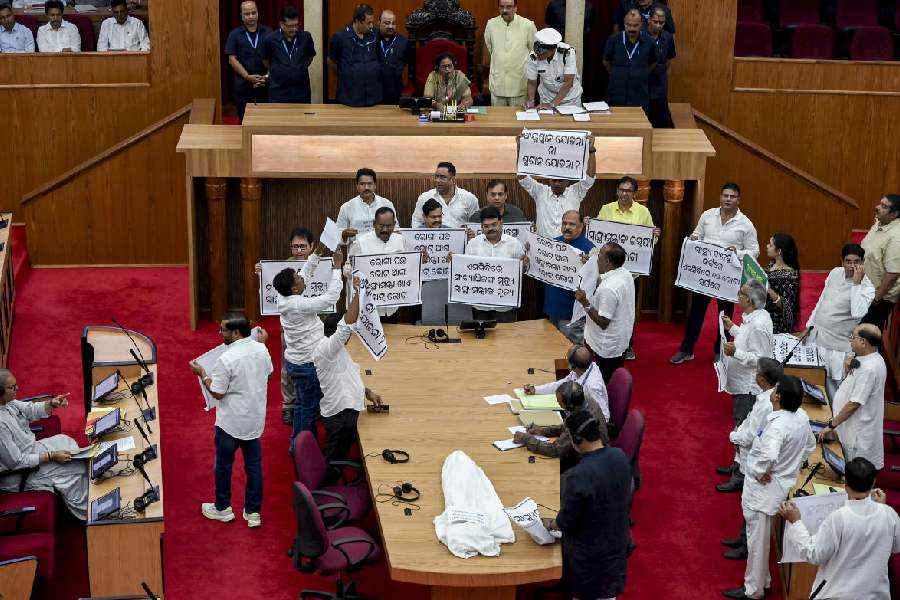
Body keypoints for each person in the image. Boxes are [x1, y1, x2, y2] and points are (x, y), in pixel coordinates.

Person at [724, 375, 815, 599]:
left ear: (779, 396)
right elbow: (809, 445)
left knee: (757, 543)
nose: (772, 392)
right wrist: (790, 466)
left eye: (776, 390)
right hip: (779, 484)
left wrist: (760, 471)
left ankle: (753, 590)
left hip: (763, 490)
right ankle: (763, 581)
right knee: (760, 540)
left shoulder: (777, 427)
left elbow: (769, 454)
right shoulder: (801, 417)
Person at [779, 457, 900, 600]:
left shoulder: (838, 518)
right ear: (873, 482)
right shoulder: (889, 513)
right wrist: (883, 507)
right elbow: (895, 547)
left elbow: (813, 554)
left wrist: (795, 522)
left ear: (846, 484)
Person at [191, 315, 272, 527]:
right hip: (254, 420)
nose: (220, 333)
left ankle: (223, 508)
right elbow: (268, 374)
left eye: (223, 330)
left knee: (224, 466)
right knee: (254, 467)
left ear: (236, 333)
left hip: (231, 423)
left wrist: (202, 374)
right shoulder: (261, 349)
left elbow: (217, 392)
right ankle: (254, 513)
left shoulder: (226, 359)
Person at [543, 410, 632, 600]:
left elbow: (566, 523)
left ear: (576, 440)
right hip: (616, 552)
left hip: (589, 562)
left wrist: (551, 523)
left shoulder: (578, 476)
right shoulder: (620, 456)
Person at [670, 183, 760, 364]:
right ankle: (686, 350)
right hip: (704, 277)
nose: (728, 199)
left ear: (738, 200)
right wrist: (694, 239)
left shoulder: (746, 224)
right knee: (695, 312)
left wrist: (738, 253)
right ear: (720, 197)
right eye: (725, 195)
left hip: (727, 280)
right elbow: (697, 234)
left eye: (732, 197)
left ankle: (720, 351)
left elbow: (755, 251)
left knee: (724, 315)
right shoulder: (707, 215)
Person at [273, 246, 344, 448]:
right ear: (295, 289)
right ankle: (304, 447)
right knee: (309, 408)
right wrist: (337, 268)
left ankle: (296, 441)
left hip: (296, 362)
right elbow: (331, 298)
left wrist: (315, 256)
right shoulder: (299, 305)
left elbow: (303, 273)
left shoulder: (284, 295)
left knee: (301, 404)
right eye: (298, 280)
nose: (302, 278)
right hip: (307, 366)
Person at [313, 276, 383, 478]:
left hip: (347, 411)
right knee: (332, 462)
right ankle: (322, 493)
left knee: (341, 454)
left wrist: (368, 393)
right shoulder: (327, 349)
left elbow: (348, 374)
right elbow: (347, 324)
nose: (350, 336)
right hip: (339, 417)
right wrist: (359, 292)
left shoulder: (337, 350)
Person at [0, 369, 86, 521]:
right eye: (11, 387)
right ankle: (86, 511)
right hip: (21, 473)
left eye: (16, 385)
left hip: (31, 451)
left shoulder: (8, 403)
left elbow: (29, 410)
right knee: (74, 465)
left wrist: (51, 404)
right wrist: (51, 456)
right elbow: (16, 462)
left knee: (66, 442)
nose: (17, 389)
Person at [254, 227, 314, 426]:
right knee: (288, 366)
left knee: (317, 365)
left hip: (315, 327)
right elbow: (269, 292)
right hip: (289, 328)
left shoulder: (322, 265)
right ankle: (289, 405)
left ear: (311, 247)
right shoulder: (282, 268)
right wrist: (261, 275)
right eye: (294, 246)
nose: (298, 250)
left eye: (302, 246)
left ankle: (315, 403)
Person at [597, 175, 660, 360]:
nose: (624, 194)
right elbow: (598, 235)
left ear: (635, 193)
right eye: (621, 190)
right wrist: (590, 225)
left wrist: (655, 235)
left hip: (630, 274)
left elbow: (650, 241)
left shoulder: (643, 212)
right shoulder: (606, 209)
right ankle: (603, 341)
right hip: (607, 272)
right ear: (617, 191)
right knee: (604, 307)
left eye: (628, 191)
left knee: (627, 310)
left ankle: (628, 345)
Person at [802, 243, 875, 396]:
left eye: (857, 262)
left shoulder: (867, 288)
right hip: (817, 337)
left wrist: (856, 284)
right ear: (842, 262)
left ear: (862, 263)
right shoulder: (835, 273)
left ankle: (834, 420)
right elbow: (822, 301)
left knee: (834, 391)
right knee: (812, 384)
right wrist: (809, 325)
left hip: (838, 347)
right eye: (848, 261)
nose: (852, 266)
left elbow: (857, 312)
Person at [817, 324, 886, 470]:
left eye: (853, 337)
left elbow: (854, 403)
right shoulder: (866, 359)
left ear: (863, 342)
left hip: (858, 434)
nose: (850, 340)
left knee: (853, 475)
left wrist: (832, 425)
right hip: (849, 427)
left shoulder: (870, 368)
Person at [717, 358, 782, 497]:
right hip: (745, 439)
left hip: (750, 449)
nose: (755, 374)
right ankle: (736, 469)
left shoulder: (766, 404)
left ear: (762, 379)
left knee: (745, 462)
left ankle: (738, 479)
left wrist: (734, 436)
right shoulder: (766, 396)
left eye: (757, 372)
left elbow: (751, 435)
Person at [576, 242, 636, 383]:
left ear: (607, 261)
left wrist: (585, 302)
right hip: (619, 341)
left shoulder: (609, 289)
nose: (597, 256)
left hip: (606, 347)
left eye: (600, 253)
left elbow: (603, 322)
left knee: (602, 385)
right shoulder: (625, 273)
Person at [517, 134, 596, 239]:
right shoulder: (540, 191)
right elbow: (522, 177)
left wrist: (591, 151)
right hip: (544, 247)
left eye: (560, 180)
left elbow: (589, 177)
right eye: (554, 180)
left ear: (568, 181)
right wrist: (520, 149)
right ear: (549, 180)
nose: (557, 183)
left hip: (569, 247)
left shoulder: (575, 192)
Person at [514, 380, 607, 470]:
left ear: (569, 406)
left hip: (588, 459)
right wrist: (543, 431)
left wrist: (526, 439)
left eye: (560, 403)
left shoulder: (580, 420)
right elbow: (566, 426)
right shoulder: (583, 401)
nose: (559, 405)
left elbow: (556, 449)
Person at [347, 207, 419, 321]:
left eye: (389, 226)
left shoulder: (401, 241)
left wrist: (420, 260)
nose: (385, 229)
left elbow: (410, 266)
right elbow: (346, 271)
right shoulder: (360, 243)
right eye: (381, 225)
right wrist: (352, 267)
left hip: (392, 307)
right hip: (367, 307)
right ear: (374, 224)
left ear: (394, 224)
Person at [721, 281, 774, 432]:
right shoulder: (755, 316)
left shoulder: (758, 324)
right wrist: (732, 328)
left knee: (743, 427)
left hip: (747, 388)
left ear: (749, 300)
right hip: (742, 384)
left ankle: (740, 454)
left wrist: (734, 353)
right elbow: (747, 339)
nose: (738, 295)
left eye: (741, 293)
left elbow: (760, 359)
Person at [461, 206, 527, 322]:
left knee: (506, 339)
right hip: (480, 306)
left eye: (494, 224)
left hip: (505, 306)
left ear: (501, 223)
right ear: (481, 227)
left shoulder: (514, 243)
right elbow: (467, 272)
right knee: (481, 339)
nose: (490, 228)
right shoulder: (473, 244)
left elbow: (521, 271)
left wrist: (525, 265)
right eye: (486, 226)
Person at [543, 210, 594, 343]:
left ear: (580, 227)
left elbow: (597, 280)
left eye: (572, 224)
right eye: (564, 223)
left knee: (573, 352)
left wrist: (589, 265)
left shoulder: (590, 249)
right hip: (552, 307)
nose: (567, 227)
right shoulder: (552, 244)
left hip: (573, 312)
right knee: (552, 348)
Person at [522, 345, 610, 420]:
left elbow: (605, 417)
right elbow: (562, 384)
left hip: (587, 428)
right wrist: (536, 390)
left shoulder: (592, 387)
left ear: (573, 366)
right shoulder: (582, 368)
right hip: (576, 413)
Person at [482, 0, 536, 107]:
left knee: (519, 122)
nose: (505, 10)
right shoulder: (491, 24)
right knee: (497, 122)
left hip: (519, 85)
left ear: (515, 8)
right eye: (502, 7)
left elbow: (534, 53)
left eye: (509, 7)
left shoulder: (528, 25)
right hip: (498, 84)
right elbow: (489, 49)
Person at [224, 1, 271, 122]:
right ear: (241, 15)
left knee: (266, 120)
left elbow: (275, 57)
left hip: (265, 83)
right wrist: (247, 76)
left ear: (258, 13)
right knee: (244, 120)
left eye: (253, 13)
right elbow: (232, 60)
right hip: (244, 84)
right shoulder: (234, 35)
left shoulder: (269, 32)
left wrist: (267, 76)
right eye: (247, 13)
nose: (251, 16)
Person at [603, 9, 656, 112]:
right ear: (624, 23)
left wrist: (641, 73)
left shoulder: (649, 42)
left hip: (639, 95)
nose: (631, 28)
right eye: (628, 25)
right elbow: (606, 61)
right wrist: (617, 74)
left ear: (641, 24)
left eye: (635, 25)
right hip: (617, 95)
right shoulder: (614, 40)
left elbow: (653, 62)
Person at [860, 194, 900, 330]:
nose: (877, 208)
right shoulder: (880, 222)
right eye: (880, 203)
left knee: (866, 334)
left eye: (884, 206)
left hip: (879, 297)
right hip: (867, 289)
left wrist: (876, 299)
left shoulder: (896, 238)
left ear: (894, 214)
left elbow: (893, 274)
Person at [329, 3, 382, 107]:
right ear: (357, 21)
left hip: (373, 96)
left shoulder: (376, 34)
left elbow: (378, 55)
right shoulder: (339, 37)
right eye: (368, 23)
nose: (372, 26)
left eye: (372, 22)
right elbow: (331, 61)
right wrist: (347, 73)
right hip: (350, 97)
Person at [263, 5, 316, 104]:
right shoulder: (270, 40)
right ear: (282, 24)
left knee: (302, 119)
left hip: (301, 93)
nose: (295, 29)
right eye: (290, 26)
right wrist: (279, 70)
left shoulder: (306, 37)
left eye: (296, 25)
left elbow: (310, 56)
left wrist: (299, 67)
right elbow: (266, 61)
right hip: (278, 93)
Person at [526, 27, 582, 109]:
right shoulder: (533, 56)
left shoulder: (567, 53)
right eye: (536, 52)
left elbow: (568, 82)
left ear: (552, 50)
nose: (538, 56)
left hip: (569, 99)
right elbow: (531, 82)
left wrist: (552, 104)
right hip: (547, 98)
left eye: (541, 54)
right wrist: (531, 101)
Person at [335, 168, 397, 243]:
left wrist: (392, 231)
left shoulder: (386, 204)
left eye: (370, 183)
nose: (366, 187)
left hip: (383, 251)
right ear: (357, 186)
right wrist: (344, 234)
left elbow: (396, 229)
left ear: (375, 185)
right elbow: (336, 235)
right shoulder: (347, 207)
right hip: (357, 251)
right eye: (362, 184)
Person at [411, 161, 479, 229]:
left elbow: (476, 225)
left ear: (452, 178)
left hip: (460, 239)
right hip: (432, 238)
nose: (438, 180)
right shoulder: (425, 197)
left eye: (443, 177)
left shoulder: (469, 198)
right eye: (436, 176)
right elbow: (416, 221)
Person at [764, 233, 800, 335]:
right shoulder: (772, 264)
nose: (767, 246)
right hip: (764, 314)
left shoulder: (789, 276)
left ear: (779, 251)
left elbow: (788, 308)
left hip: (776, 325)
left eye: (770, 245)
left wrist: (770, 291)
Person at [645, 6, 675, 128]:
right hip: (644, 82)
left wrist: (662, 71)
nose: (658, 25)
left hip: (660, 83)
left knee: (662, 119)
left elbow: (669, 58)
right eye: (655, 22)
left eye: (661, 23)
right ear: (649, 20)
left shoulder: (667, 37)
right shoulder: (640, 35)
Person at [376, 9, 410, 105]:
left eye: (393, 23)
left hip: (395, 92)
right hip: (374, 93)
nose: (390, 26)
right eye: (386, 23)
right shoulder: (372, 40)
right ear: (379, 23)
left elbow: (407, 62)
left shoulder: (403, 42)